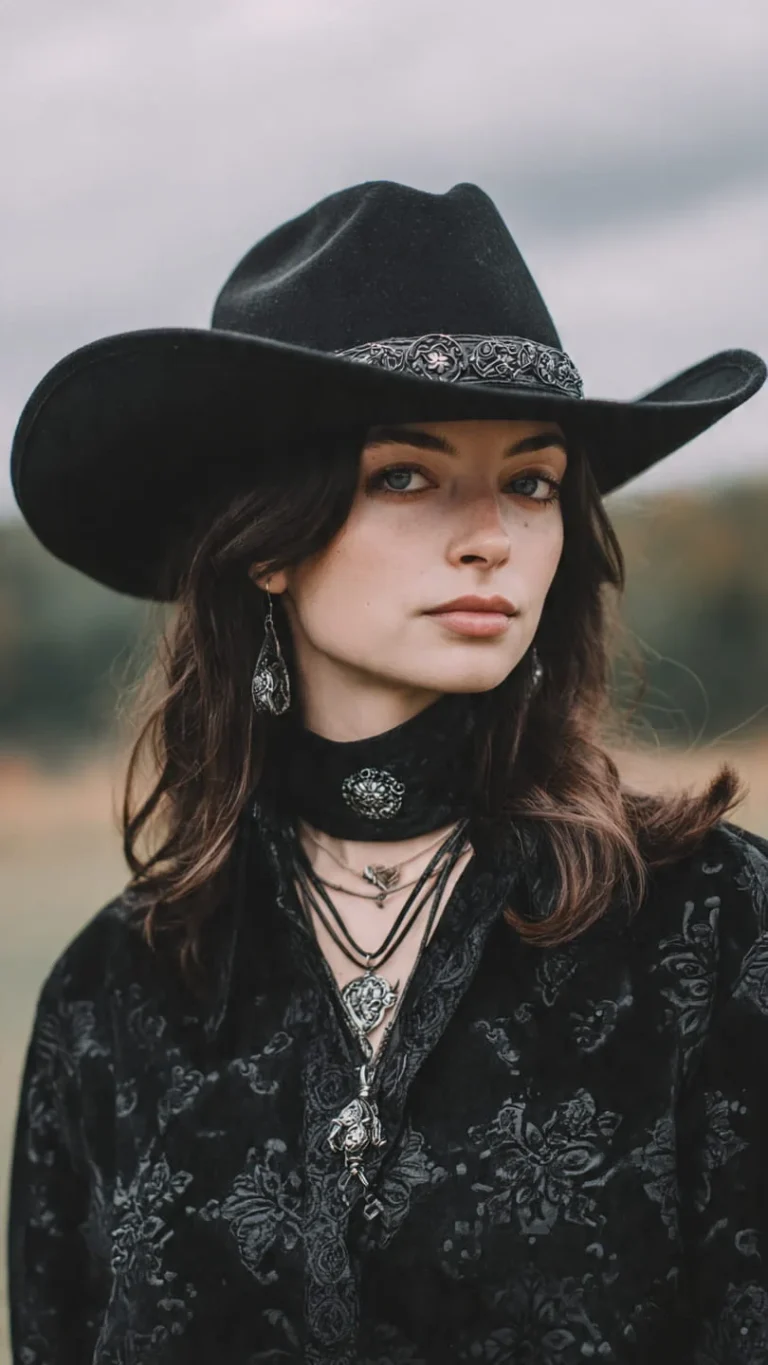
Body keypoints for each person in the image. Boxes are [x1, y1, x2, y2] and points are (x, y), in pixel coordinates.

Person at [6, 179, 768, 1365]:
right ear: (266, 543)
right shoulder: (115, 995)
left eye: (532, 481)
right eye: (405, 475)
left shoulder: (710, 929)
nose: (492, 537)